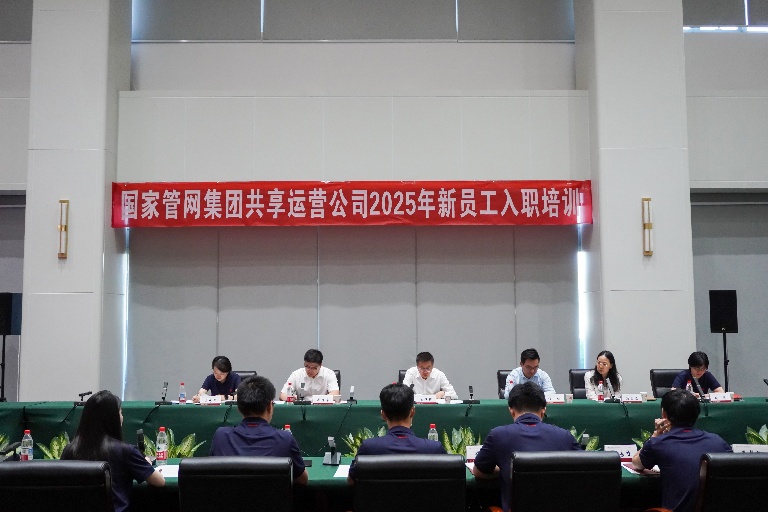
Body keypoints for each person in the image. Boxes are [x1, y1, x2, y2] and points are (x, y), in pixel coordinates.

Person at [472, 382, 580, 512]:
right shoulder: (565, 436)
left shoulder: (498, 435)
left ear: (511, 411)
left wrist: (508, 469)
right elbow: (584, 471)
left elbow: (478, 471)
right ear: (543, 411)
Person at [61, 390, 164, 512]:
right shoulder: (126, 451)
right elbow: (159, 482)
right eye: (120, 412)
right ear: (113, 418)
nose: (122, 417)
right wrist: (146, 464)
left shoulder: (69, 450)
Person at [632, 389, 730, 512]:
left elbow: (636, 463)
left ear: (664, 414)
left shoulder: (659, 443)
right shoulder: (718, 441)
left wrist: (655, 435)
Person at [210, 375, 308, 485]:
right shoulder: (285, 438)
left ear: (238, 408)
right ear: (270, 406)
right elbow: (302, 480)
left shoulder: (221, 436)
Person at [348, 383, 446, 483]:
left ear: (383, 415)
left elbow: (351, 481)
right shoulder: (434, 449)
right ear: (412, 412)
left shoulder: (368, 448)